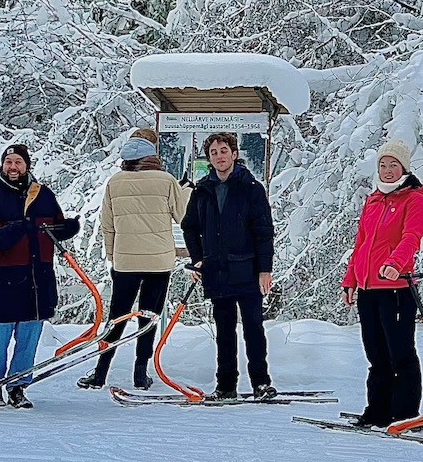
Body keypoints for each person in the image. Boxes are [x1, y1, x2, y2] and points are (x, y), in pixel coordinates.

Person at [82, 132, 188, 391]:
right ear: (151, 155)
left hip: (125, 262)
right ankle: (140, 374)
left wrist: (112, 255)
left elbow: (107, 225)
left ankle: (100, 373)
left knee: (117, 317)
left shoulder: (115, 182)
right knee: (149, 317)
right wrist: (185, 191)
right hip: (159, 262)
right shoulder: (166, 180)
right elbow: (183, 216)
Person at [0, 144, 79, 408]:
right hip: (5, 275)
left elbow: (53, 229)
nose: (13, 167)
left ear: (27, 166)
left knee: (29, 335)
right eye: (8, 162)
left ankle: (18, 386)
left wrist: (68, 227)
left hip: (39, 274)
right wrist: (17, 229)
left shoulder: (43, 195)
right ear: (2, 165)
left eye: (18, 162)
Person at [341, 140, 423, 428]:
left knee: (400, 352)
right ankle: (377, 409)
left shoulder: (414, 198)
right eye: (383, 164)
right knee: (376, 353)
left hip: (396, 289)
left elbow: (411, 237)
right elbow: (362, 243)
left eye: (394, 164)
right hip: (368, 289)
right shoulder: (374, 200)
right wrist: (350, 279)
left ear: (404, 167)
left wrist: (395, 264)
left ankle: (404, 412)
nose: (388, 170)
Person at [181, 132, 278, 400]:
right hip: (216, 271)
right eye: (214, 152)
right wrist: (198, 259)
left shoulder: (251, 188)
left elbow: (263, 231)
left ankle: (260, 382)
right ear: (209, 158)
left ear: (234, 154)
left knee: (253, 329)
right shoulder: (202, 190)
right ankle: (226, 385)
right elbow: (189, 227)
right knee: (224, 332)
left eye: (224, 150)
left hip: (247, 270)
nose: (219, 156)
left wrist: (265, 270)